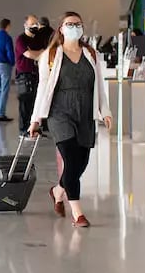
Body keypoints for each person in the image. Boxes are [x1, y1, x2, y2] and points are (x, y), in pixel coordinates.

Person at [29, 12, 113, 227]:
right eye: (69, 24)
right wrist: (35, 120)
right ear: (61, 29)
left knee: (81, 163)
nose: (74, 27)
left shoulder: (91, 54)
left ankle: (58, 191)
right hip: (60, 113)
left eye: (77, 24)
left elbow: (99, 87)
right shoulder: (52, 55)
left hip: (85, 113)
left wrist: (106, 112)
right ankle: (78, 213)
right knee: (70, 159)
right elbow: (42, 90)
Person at [15, 15, 44, 135]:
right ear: (25, 25)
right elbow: (29, 54)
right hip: (24, 76)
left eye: (36, 24)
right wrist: (40, 53)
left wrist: (39, 53)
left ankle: (33, 127)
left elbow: (43, 52)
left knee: (35, 102)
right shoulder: (20, 40)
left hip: (36, 74)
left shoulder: (37, 39)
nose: (35, 26)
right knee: (24, 103)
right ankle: (23, 129)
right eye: (32, 24)